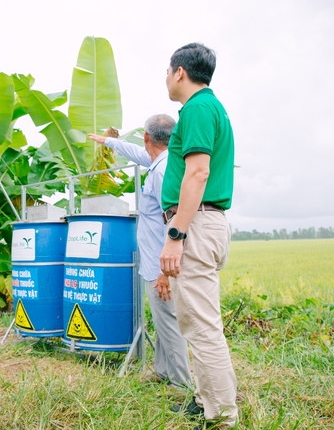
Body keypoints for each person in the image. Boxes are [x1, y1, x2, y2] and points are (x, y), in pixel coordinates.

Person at [159, 43, 237, 428]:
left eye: (167, 70)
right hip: (204, 223)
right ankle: (206, 400)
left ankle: (221, 416)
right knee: (198, 320)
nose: (166, 77)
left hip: (196, 224)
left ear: (179, 72)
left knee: (202, 326)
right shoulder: (207, 107)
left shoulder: (198, 108)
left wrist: (176, 234)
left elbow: (198, 173)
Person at [88, 115, 191, 388]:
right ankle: (162, 372)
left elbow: (173, 221)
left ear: (147, 137)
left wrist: (164, 273)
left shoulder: (160, 172)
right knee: (162, 321)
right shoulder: (161, 161)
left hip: (162, 267)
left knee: (169, 325)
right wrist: (110, 142)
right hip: (156, 266)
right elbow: (136, 153)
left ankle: (181, 385)